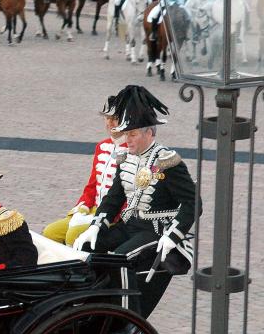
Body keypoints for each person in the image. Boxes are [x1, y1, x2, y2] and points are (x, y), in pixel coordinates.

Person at [73, 85, 199, 318]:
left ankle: (124, 316)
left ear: (149, 133)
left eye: (132, 134)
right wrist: (96, 226)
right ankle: (87, 306)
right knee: (86, 249)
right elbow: (114, 198)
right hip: (129, 226)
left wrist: (174, 235)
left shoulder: (167, 161)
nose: (127, 139)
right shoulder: (127, 158)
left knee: (117, 261)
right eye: (126, 134)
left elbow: (193, 203)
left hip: (154, 230)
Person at [43, 96, 126, 247]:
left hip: (112, 215)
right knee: (50, 232)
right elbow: (92, 185)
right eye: (107, 118)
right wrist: (84, 205)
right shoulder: (102, 146)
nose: (110, 123)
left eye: (115, 118)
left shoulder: (131, 150)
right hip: (92, 209)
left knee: (73, 235)